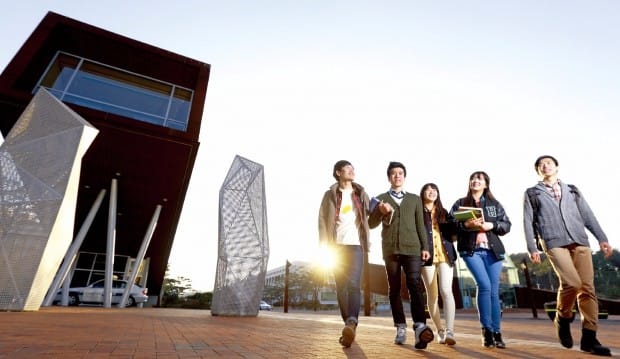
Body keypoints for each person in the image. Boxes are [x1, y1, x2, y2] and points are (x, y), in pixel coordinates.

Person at [523, 155, 612, 356]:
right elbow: (528, 221)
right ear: (538, 170)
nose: (545, 166)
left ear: (557, 167)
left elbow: (587, 215)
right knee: (572, 283)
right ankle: (563, 317)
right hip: (553, 241)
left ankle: (590, 338)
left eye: (549, 163)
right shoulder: (532, 193)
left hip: (579, 240)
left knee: (588, 288)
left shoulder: (572, 190)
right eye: (541, 165)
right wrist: (532, 247)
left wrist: (602, 238)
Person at [368, 161, 434, 349]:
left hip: (413, 249)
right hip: (390, 249)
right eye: (394, 173)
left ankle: (420, 327)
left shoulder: (414, 199)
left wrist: (425, 246)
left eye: (400, 173)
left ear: (404, 177)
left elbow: (420, 225)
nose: (397, 176)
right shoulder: (380, 198)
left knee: (414, 284)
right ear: (389, 177)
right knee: (394, 288)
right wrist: (380, 212)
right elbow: (371, 224)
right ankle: (400, 327)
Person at [450, 171, 511, 349]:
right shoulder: (460, 203)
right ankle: (486, 330)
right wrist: (466, 225)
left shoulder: (494, 204)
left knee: (493, 291)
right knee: (484, 286)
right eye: (473, 178)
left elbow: (506, 225)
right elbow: (450, 224)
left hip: (493, 252)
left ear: (485, 184)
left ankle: (496, 332)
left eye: (479, 179)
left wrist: (492, 225)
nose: (475, 181)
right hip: (471, 251)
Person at [318, 160, 370, 348]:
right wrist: (324, 244)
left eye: (353, 168)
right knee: (341, 286)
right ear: (338, 172)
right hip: (336, 246)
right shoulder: (330, 195)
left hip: (356, 245)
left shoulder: (360, 193)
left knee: (354, 284)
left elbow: (370, 216)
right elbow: (322, 220)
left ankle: (351, 322)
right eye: (348, 168)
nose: (352, 170)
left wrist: (383, 211)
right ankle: (348, 326)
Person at [419, 183, 458, 346]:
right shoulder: (418, 212)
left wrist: (459, 223)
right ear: (422, 193)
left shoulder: (444, 212)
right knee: (432, 295)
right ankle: (440, 330)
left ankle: (450, 331)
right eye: (428, 189)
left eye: (434, 189)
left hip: (445, 255)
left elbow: (454, 234)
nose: (432, 191)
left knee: (446, 290)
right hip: (426, 257)